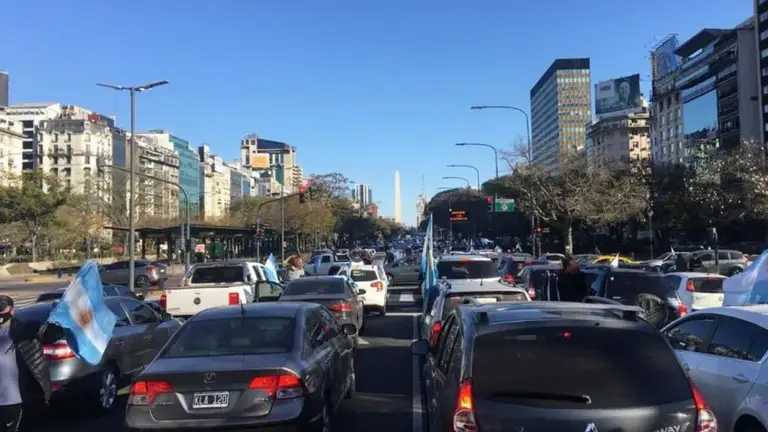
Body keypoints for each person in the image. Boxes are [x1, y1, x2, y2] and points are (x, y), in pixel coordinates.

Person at [0, 295, 52, 432]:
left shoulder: (24, 332)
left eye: (1, 308)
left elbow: (49, 333)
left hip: (11, 400)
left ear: (12, 311)